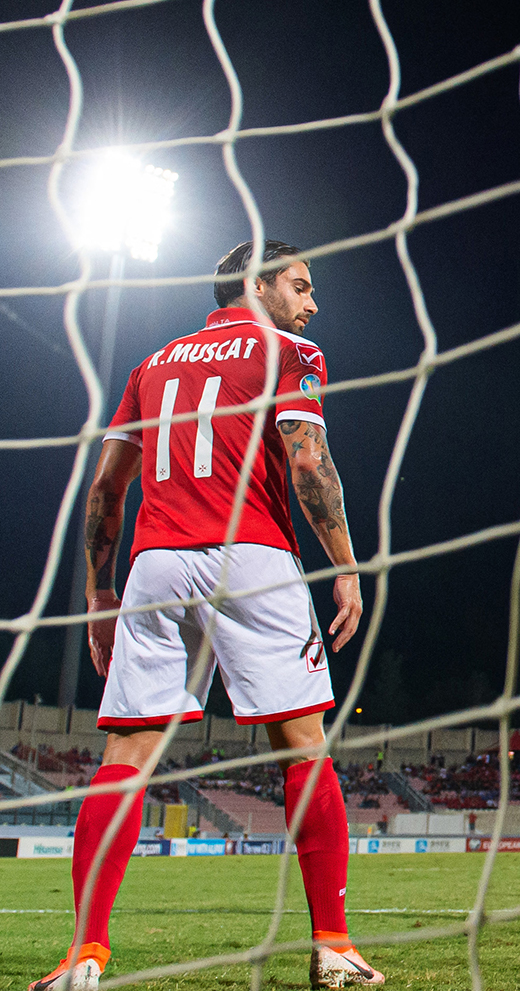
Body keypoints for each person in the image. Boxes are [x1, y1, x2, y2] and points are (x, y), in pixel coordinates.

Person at [38, 241, 381, 991]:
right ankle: (331, 944)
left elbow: (104, 491)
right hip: (250, 557)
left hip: (155, 566)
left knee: (125, 761)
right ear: (256, 286)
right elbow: (308, 461)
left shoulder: (150, 365)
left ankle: (83, 958)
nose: (311, 302)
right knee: (302, 746)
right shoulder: (290, 350)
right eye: (300, 284)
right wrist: (348, 566)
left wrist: (101, 594)